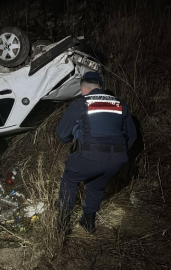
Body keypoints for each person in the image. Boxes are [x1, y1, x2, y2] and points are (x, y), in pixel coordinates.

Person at [56, 71, 137, 233]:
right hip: (117, 158)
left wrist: (72, 143)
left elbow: (62, 133)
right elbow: (132, 136)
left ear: (83, 89)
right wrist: (117, 153)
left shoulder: (81, 103)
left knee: (70, 179)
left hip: (89, 155)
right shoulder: (120, 104)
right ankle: (88, 221)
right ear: (100, 86)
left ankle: (62, 224)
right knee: (95, 184)